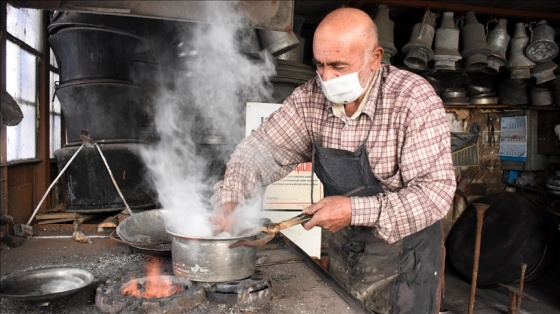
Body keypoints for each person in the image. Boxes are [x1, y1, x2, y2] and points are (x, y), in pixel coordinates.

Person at [210, 7, 456, 314]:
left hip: (406, 259)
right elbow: (258, 152)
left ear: (375, 58)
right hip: (347, 251)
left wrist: (353, 209)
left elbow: (435, 194)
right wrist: (231, 198)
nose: (326, 78)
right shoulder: (310, 98)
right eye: (320, 65)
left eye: (339, 66)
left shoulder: (412, 99)